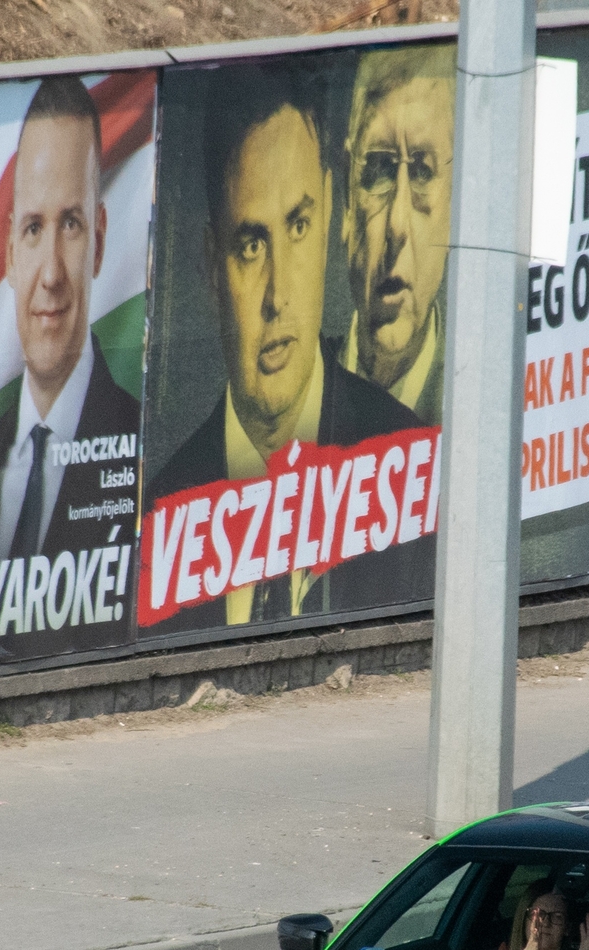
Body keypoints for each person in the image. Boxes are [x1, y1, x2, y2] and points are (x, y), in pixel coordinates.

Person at [152, 63, 425, 630]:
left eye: (298, 226)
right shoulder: (158, 521)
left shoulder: (413, 474)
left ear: (332, 209)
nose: (279, 295)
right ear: (210, 266)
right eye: (250, 246)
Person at [0, 76, 142, 667]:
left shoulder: (140, 451)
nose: (51, 272)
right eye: (33, 228)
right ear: (8, 252)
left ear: (99, 243)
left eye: (70, 225)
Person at [342, 45, 453, 424]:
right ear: (346, 197)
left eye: (422, 171)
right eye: (379, 169)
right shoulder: (294, 415)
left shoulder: (484, 408)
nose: (397, 225)